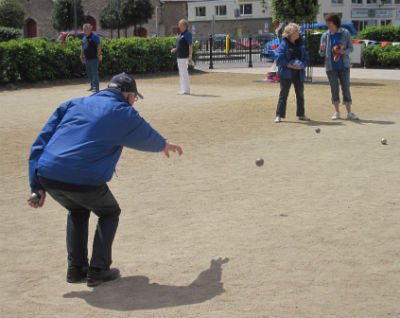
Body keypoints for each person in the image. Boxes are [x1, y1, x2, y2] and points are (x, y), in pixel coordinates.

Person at [27, 73, 183, 287]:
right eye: (135, 98)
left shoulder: (73, 103)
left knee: (78, 210)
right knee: (110, 212)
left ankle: (76, 269)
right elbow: (147, 136)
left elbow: (40, 142)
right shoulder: (124, 112)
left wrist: (36, 185)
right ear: (129, 96)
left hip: (48, 174)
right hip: (82, 177)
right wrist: (164, 144)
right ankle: (98, 269)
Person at [319, 13, 359, 121]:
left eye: (329, 23)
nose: (327, 25)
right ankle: (336, 112)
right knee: (334, 89)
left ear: (335, 23)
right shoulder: (325, 36)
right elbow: (321, 54)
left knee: (346, 88)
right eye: (327, 23)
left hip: (344, 65)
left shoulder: (345, 33)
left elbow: (351, 48)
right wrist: (322, 49)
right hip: (330, 66)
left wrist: (343, 51)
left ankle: (349, 112)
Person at [274, 23, 310, 123]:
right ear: (291, 33)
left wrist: (302, 65)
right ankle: (279, 115)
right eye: (296, 31)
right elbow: (279, 58)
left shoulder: (301, 44)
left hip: (298, 73)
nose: (298, 33)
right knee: (283, 94)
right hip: (286, 73)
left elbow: (306, 57)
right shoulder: (283, 44)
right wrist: (290, 65)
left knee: (300, 94)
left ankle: (301, 114)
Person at [171, 19, 193, 95]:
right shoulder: (181, 34)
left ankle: (186, 90)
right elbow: (181, 45)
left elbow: (190, 45)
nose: (179, 27)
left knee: (184, 73)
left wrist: (190, 56)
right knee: (181, 73)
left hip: (184, 56)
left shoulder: (187, 34)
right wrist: (175, 49)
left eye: (180, 25)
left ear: (184, 26)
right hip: (179, 56)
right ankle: (183, 89)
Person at [80, 24, 102, 92]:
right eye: (83, 29)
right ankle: (92, 86)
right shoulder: (84, 38)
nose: (84, 31)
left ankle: (96, 87)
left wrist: (98, 55)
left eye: (85, 29)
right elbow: (83, 48)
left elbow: (98, 46)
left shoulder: (94, 36)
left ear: (90, 29)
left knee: (94, 73)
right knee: (89, 73)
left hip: (94, 58)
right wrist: (81, 56)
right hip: (87, 58)